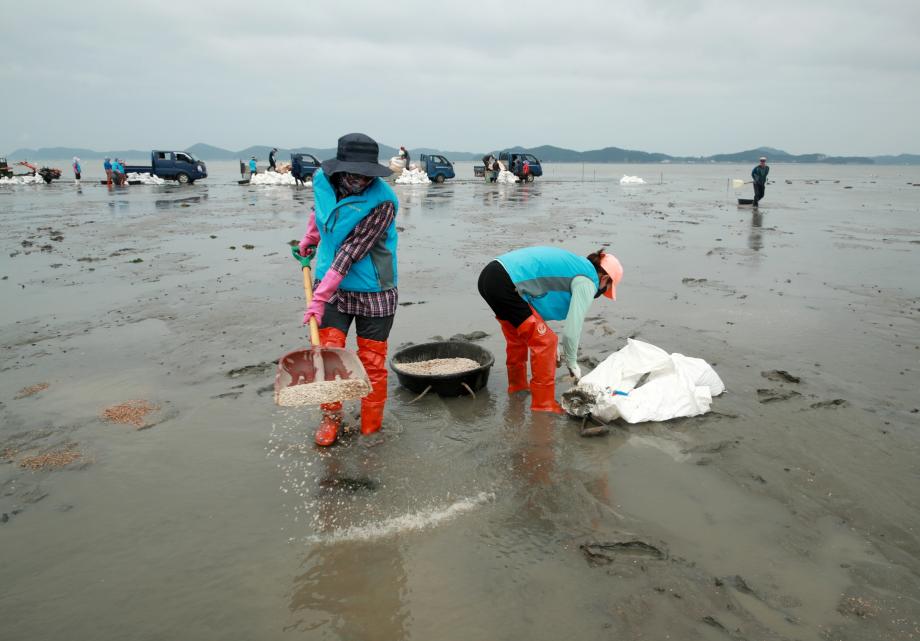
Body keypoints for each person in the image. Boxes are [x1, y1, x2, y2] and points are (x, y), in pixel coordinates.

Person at [298, 133, 398, 447]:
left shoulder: (383, 202)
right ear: (340, 168)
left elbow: (350, 253)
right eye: (354, 173)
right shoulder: (320, 180)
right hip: (332, 286)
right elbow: (320, 212)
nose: (361, 181)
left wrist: (318, 298)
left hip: (373, 289)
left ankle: (371, 426)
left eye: (367, 175)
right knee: (329, 356)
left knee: (371, 363)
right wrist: (310, 239)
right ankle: (331, 418)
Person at [478, 246, 623, 413]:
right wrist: (572, 361)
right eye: (607, 287)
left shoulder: (576, 267)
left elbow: (531, 305)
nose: (602, 291)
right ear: (604, 278)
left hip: (491, 276)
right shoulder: (588, 281)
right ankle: (543, 405)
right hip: (504, 283)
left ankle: (517, 388)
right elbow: (571, 331)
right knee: (547, 342)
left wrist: (545, 333)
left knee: (518, 336)